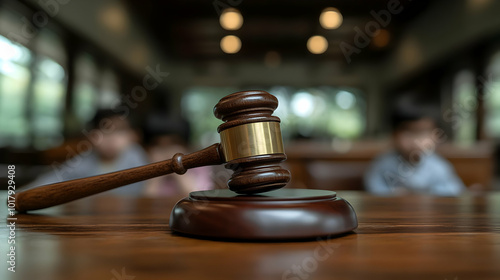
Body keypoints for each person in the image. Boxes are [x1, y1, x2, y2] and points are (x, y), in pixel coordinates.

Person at [22, 109, 149, 196]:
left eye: (120, 131)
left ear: (134, 136)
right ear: (92, 136)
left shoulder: (138, 158)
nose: (112, 138)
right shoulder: (83, 161)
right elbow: (51, 181)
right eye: (105, 130)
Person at [364, 99, 465, 196]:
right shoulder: (382, 164)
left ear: (435, 136)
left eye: (423, 132)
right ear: (394, 134)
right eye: (408, 132)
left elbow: (453, 192)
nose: (416, 141)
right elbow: (374, 190)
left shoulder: (438, 167)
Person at [142, 113, 213, 196]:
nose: (167, 151)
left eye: (172, 144)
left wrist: (178, 168)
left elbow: (199, 199)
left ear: (185, 145)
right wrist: (157, 172)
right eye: (158, 145)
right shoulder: (144, 165)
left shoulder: (199, 165)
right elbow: (146, 201)